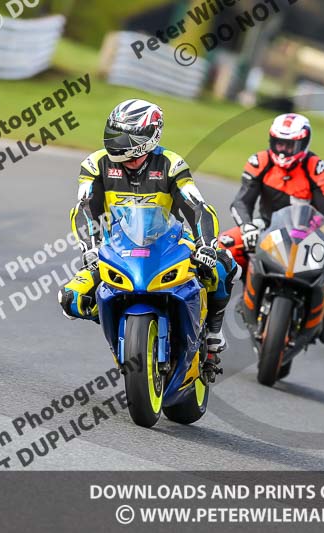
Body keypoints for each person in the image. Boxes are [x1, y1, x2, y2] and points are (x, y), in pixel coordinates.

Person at [58, 99, 237, 372]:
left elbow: (197, 207)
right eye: (114, 132)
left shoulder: (171, 164)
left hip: (168, 242)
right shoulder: (95, 164)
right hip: (115, 249)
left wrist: (206, 245)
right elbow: (84, 209)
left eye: (125, 135)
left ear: (147, 136)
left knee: (224, 265)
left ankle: (213, 331)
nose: (116, 141)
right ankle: (120, 323)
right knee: (71, 299)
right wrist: (90, 248)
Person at [219, 113, 324, 345]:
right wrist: (247, 227)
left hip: (307, 230)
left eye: (289, 145)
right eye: (279, 143)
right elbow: (241, 201)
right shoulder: (260, 162)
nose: (283, 150)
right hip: (266, 224)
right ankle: (217, 309)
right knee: (222, 247)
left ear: (303, 143)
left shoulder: (316, 167)